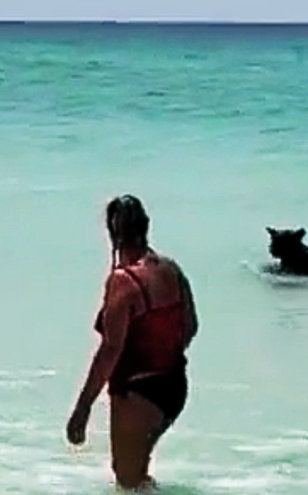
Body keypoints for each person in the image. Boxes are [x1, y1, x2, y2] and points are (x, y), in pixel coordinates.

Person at [66, 195, 199, 491]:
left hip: (138, 391)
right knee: (139, 475)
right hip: (174, 387)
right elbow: (190, 327)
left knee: (127, 482)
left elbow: (110, 351)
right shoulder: (171, 269)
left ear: (112, 234)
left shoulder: (123, 281)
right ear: (146, 226)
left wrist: (82, 408)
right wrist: (161, 358)